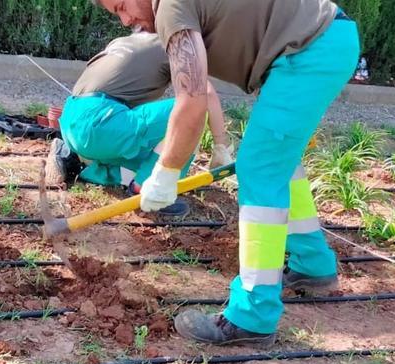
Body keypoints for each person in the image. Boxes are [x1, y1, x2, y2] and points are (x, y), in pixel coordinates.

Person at [92, 0, 360, 346]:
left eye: (122, 6)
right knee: (278, 162)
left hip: (310, 48)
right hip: (324, 39)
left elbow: (191, 101)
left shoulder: (170, 7)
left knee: (259, 168)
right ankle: (312, 264)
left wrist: (166, 170)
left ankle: (253, 316)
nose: (127, 20)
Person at [50, 32, 234, 217]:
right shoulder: (177, 43)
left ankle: (79, 163)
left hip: (72, 122)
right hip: (101, 123)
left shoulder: (128, 41)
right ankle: (147, 187)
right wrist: (220, 146)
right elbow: (205, 93)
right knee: (193, 110)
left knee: (150, 156)